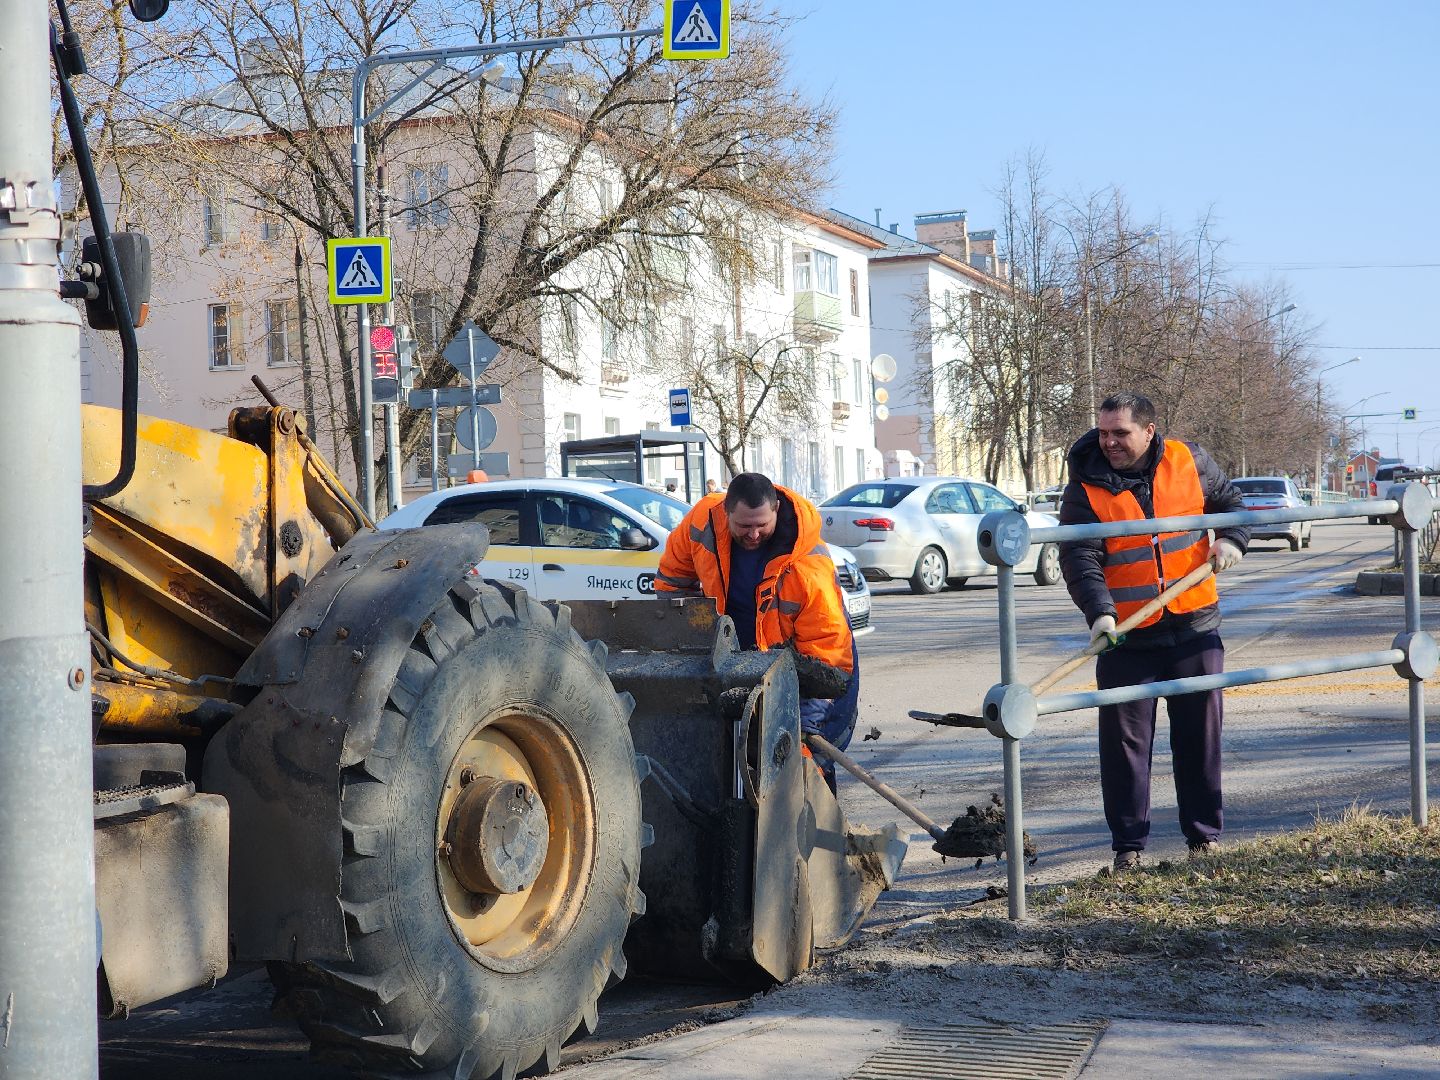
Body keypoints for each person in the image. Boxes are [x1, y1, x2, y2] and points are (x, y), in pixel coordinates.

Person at [1058, 391, 1249, 873]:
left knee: (1200, 740)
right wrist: (1100, 613)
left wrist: (1231, 539)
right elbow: (1080, 558)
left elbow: (1231, 504)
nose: (1109, 442)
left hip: (1194, 628)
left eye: (1120, 433)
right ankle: (1128, 849)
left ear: (1149, 429)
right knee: (1124, 749)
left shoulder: (1190, 460)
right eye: (1103, 432)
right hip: (1128, 637)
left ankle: (1204, 838)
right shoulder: (1085, 485)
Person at [656, 472, 858, 788]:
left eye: (761, 525)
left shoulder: (808, 568)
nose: (753, 535)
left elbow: (827, 653)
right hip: (742, 661)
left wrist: (806, 726)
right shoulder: (702, 523)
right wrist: (693, 633)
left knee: (804, 764)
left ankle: (817, 833)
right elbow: (672, 580)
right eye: (744, 526)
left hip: (816, 667)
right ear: (726, 514)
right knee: (735, 760)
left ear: (776, 509)